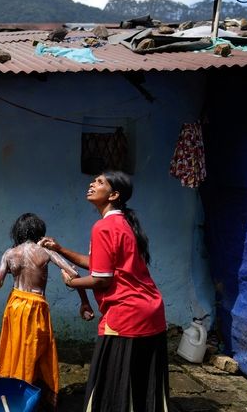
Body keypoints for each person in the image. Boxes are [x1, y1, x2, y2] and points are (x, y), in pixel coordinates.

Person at [40, 171, 169, 412]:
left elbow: (101, 279)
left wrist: (72, 283)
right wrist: (60, 249)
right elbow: (98, 263)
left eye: (99, 182)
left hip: (126, 314)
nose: (92, 184)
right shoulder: (123, 224)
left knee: (111, 384)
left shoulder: (103, 227)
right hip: (151, 312)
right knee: (142, 385)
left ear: (114, 194)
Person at [0, 213, 94, 409]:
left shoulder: (9, 254)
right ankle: (36, 394)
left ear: (18, 232)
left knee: (15, 348)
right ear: (39, 232)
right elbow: (74, 274)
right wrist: (85, 303)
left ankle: (16, 392)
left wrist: (7, 273)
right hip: (36, 307)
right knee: (39, 350)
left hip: (15, 306)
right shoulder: (46, 252)